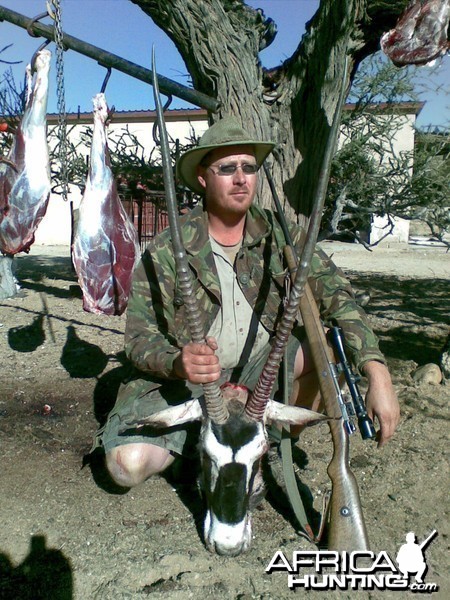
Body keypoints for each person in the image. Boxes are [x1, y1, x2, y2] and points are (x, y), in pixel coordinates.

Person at [95, 117, 400, 488]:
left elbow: (339, 297)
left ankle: (254, 448)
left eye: (249, 167)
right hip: (193, 383)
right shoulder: (165, 248)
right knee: (127, 466)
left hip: (259, 375)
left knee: (327, 350)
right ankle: (201, 447)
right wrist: (178, 362)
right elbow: (139, 340)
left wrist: (376, 372)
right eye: (227, 168)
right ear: (204, 178)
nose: (241, 178)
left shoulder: (283, 235)